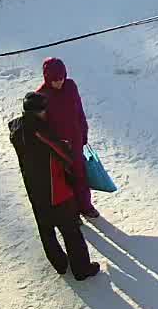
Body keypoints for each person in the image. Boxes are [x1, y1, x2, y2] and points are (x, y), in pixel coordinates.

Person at [10, 93, 100, 280]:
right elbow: (64, 153)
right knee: (71, 231)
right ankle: (81, 268)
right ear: (38, 111)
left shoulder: (17, 128)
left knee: (46, 230)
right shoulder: (40, 131)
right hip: (55, 189)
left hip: (34, 189)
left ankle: (59, 263)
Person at [37, 58, 97, 220]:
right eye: (55, 80)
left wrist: (84, 132)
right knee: (63, 181)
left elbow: (79, 112)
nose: (59, 83)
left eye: (61, 78)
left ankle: (86, 206)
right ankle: (72, 214)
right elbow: (42, 127)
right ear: (47, 78)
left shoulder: (71, 87)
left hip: (75, 141)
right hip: (58, 147)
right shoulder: (41, 96)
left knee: (80, 176)